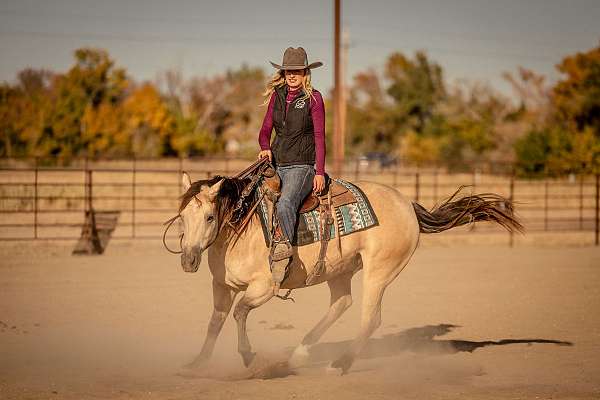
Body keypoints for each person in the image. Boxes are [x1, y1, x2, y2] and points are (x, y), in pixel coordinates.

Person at [257, 47, 326, 293]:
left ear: (305, 72)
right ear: (283, 73)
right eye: (288, 71)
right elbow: (265, 131)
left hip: (302, 166)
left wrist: (319, 171)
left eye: (297, 71)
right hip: (277, 163)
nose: (292, 75)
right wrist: (265, 147)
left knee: (286, 203)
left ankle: (283, 253)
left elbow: (319, 137)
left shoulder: (314, 99)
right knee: (249, 195)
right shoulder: (277, 96)